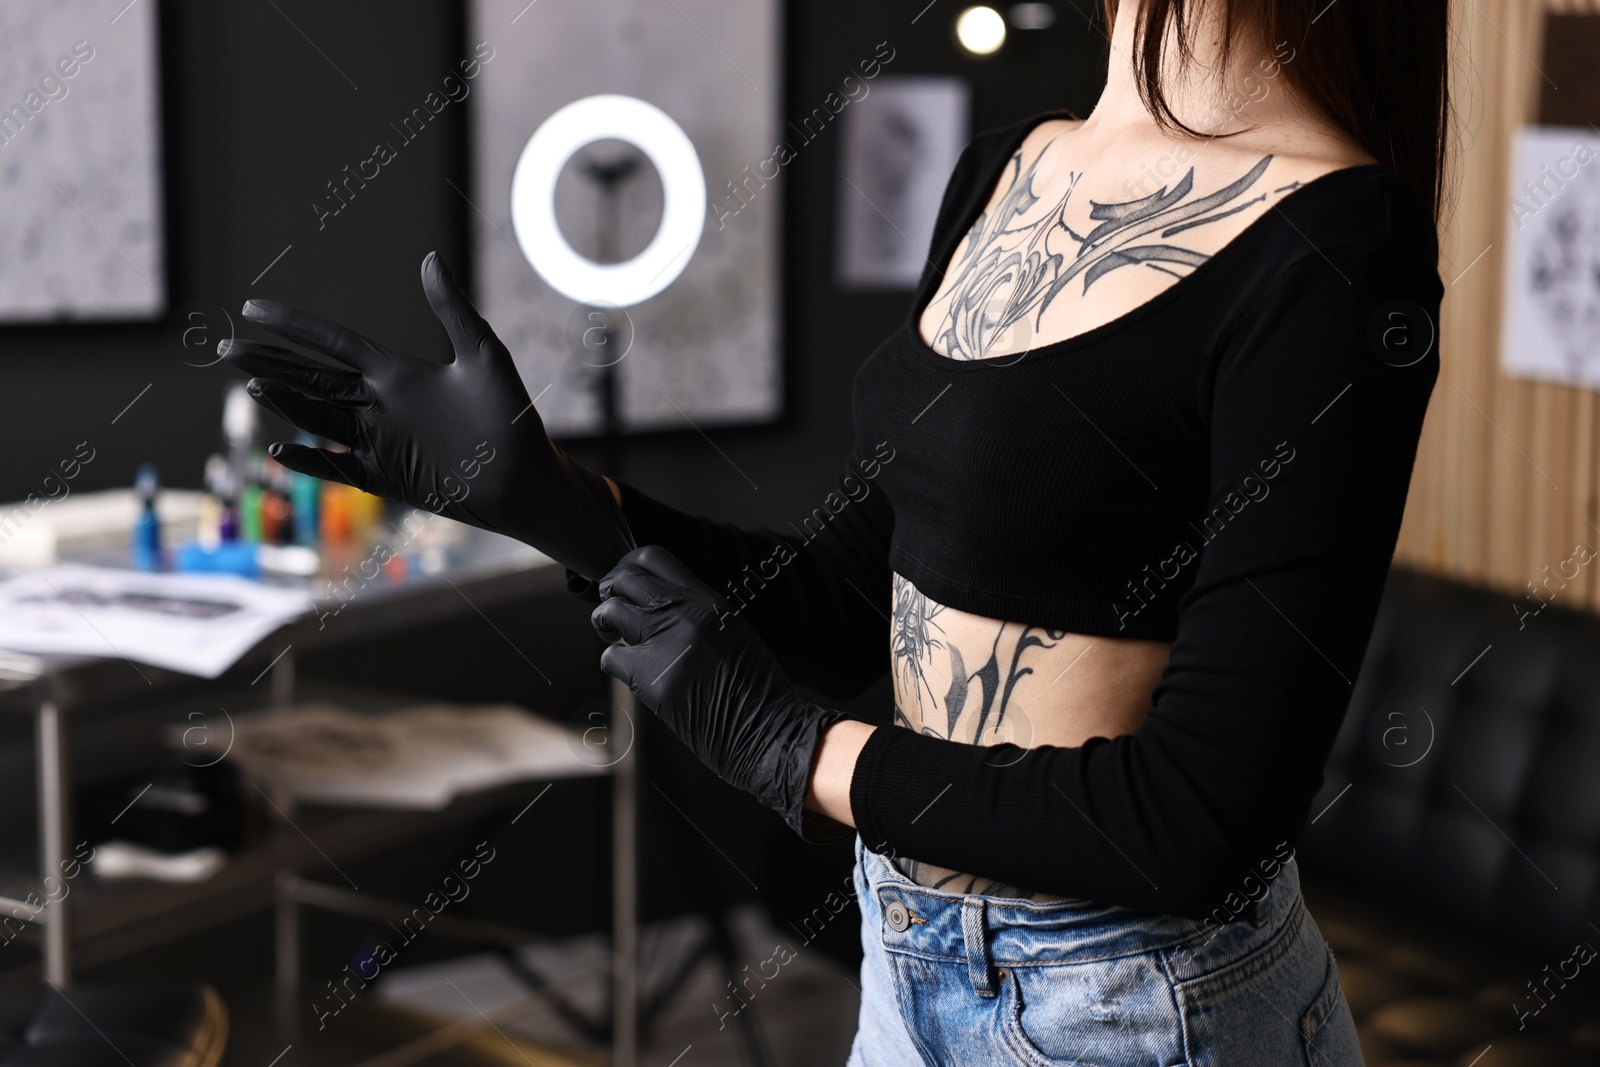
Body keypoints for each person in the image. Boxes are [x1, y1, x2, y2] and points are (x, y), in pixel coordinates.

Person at [220, 1, 1453, 1061]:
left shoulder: (1340, 246)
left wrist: (787, 747)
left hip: (1135, 1003)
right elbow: (847, 590)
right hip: (904, 961)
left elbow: (1202, 815)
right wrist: (551, 502)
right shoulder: (1007, 169)